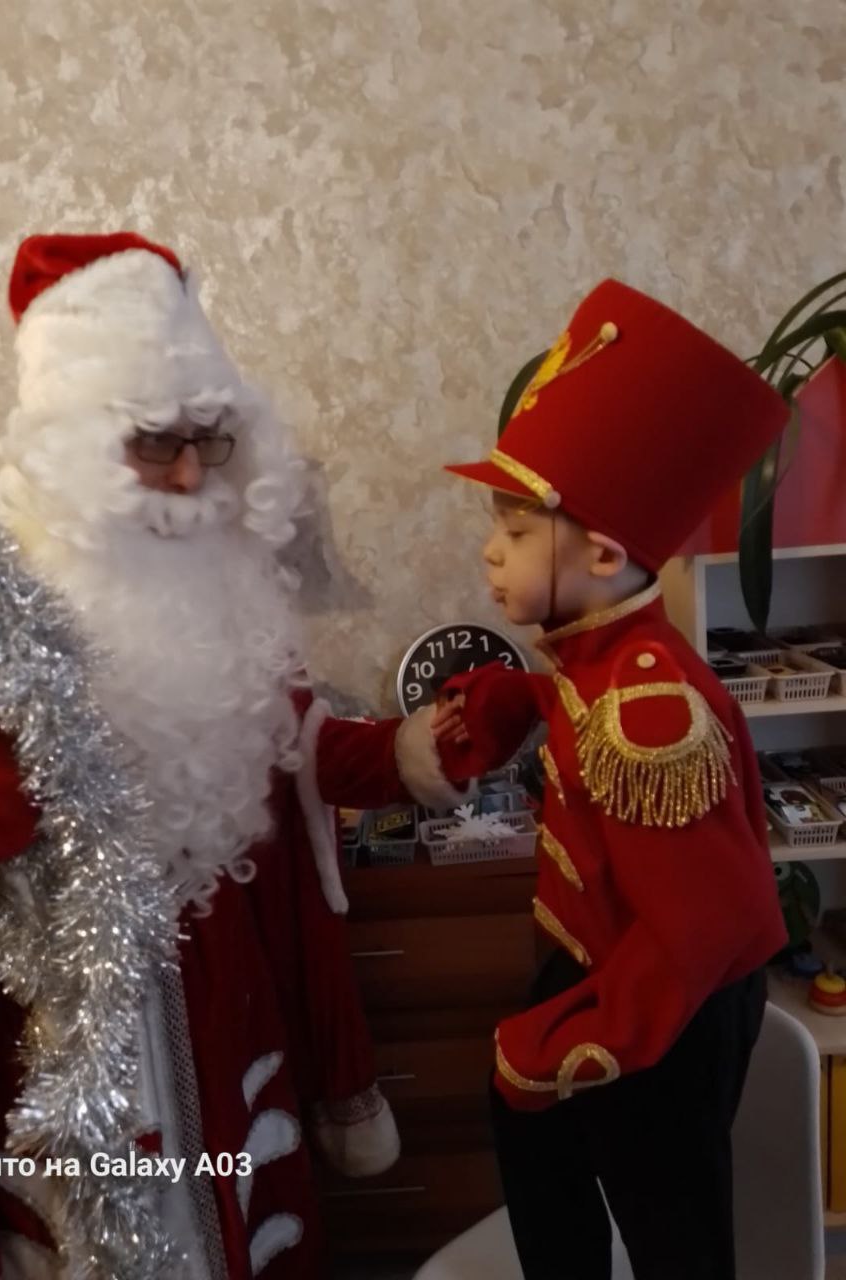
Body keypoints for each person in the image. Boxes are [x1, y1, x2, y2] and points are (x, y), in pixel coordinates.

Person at [0, 232, 470, 1279]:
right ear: (74, 449)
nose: (194, 476)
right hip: (42, 1035)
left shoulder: (220, 588)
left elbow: (295, 741)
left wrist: (425, 746)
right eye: (157, 443)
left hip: (219, 1003)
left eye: (210, 440)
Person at [434, 279, 791, 1280]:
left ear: (598, 553)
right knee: (537, 1152)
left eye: (515, 534)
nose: (490, 552)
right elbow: (567, 700)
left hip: (661, 1005)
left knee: (671, 1229)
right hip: (606, 957)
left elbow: (711, 918)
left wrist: (590, 1038)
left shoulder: (647, 709)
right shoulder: (596, 660)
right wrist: (508, 701)